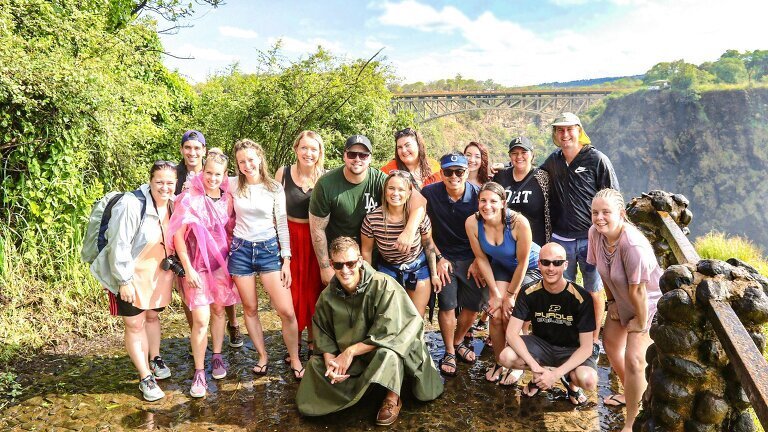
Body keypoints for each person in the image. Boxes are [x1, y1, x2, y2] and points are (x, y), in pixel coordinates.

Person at [295, 237, 443, 425]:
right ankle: (357, 388)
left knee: (389, 354)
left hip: (388, 346)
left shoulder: (383, 285)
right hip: (354, 352)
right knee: (315, 365)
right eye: (339, 265)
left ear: (360, 261)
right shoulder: (327, 296)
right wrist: (331, 364)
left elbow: (391, 334)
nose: (345, 270)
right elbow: (324, 335)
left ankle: (392, 398)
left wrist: (350, 352)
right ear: (332, 265)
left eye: (350, 263)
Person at [88, 161, 178, 401]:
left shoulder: (173, 204)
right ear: (150, 181)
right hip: (131, 274)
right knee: (135, 324)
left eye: (170, 182)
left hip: (158, 274)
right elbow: (119, 244)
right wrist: (123, 281)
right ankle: (145, 377)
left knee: (152, 316)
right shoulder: (131, 204)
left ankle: (155, 358)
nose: (165, 187)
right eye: (159, 182)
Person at [541, 112, 619, 353]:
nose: (565, 134)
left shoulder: (597, 159)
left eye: (569, 129)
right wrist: (503, 171)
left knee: (593, 290)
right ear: (555, 134)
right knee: (564, 289)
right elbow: (533, 179)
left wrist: (612, 236)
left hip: (591, 237)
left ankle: (592, 340)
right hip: (560, 239)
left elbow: (614, 197)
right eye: (560, 130)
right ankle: (569, 335)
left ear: (579, 130)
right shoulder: (553, 161)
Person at [587, 188, 662, 431]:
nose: (599, 218)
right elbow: (602, 271)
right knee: (610, 343)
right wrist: (612, 303)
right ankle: (630, 392)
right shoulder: (595, 234)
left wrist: (640, 323)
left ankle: (631, 422)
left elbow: (639, 291)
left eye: (606, 212)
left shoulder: (633, 246)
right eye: (595, 212)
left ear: (621, 214)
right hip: (622, 298)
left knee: (634, 359)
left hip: (648, 304)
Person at [228, 139, 303, 379]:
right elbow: (205, 179)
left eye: (251, 159)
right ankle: (262, 356)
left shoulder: (274, 187)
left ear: (260, 158)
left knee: (286, 311)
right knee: (250, 308)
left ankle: (295, 357)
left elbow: (282, 224)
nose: (247, 165)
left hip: (269, 250)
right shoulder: (232, 185)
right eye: (242, 161)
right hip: (240, 250)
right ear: (237, 164)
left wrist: (286, 259)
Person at [309, 134, 426, 286]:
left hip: (374, 257)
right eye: (352, 154)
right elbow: (317, 228)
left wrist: (409, 231)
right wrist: (325, 267)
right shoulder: (326, 184)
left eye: (363, 155)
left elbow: (420, 201)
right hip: (341, 260)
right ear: (344, 156)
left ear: (370, 158)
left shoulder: (379, 180)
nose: (357, 159)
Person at [169, 152, 241, 397]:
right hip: (197, 267)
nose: (212, 178)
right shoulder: (190, 198)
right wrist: (187, 268)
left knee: (219, 311)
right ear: (202, 172)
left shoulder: (227, 199)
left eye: (217, 174)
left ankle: (217, 356)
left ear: (224, 176)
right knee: (200, 319)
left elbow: (230, 231)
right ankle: (199, 371)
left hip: (220, 265)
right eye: (208, 172)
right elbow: (178, 235)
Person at [499, 242, 598, 406]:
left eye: (557, 263)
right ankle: (538, 377)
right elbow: (511, 333)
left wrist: (555, 375)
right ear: (539, 264)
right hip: (541, 345)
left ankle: (571, 385)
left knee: (588, 380)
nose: (551, 268)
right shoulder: (528, 291)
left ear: (565, 265)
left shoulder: (581, 297)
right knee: (505, 357)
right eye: (546, 262)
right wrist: (534, 366)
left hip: (571, 348)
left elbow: (587, 347)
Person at [465, 182, 541, 385]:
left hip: (530, 267)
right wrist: (496, 295)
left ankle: (518, 363)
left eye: (493, 201)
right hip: (501, 266)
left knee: (511, 314)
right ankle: (500, 361)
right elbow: (481, 259)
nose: (487, 206)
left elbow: (523, 262)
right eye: (483, 201)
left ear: (503, 203)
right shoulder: (472, 223)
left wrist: (510, 295)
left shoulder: (518, 223)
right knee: (496, 314)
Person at [176, 132, 243, 349]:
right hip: (191, 249)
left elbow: (230, 221)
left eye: (197, 148)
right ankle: (197, 339)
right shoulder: (177, 176)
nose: (192, 152)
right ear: (181, 149)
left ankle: (232, 325)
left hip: (219, 252)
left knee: (221, 299)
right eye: (188, 147)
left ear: (204, 151)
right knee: (195, 301)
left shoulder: (223, 189)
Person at [421, 152, 482, 377]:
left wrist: (479, 259)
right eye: (448, 172)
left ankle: (458, 341)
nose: (454, 176)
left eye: (459, 171)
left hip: (472, 257)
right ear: (441, 173)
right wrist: (439, 258)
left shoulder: (478, 195)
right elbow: (424, 231)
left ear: (467, 172)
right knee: (447, 305)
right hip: (444, 256)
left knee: (473, 305)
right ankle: (449, 351)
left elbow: (489, 228)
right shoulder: (429, 193)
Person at [361, 170, 441, 316]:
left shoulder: (420, 218)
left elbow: (428, 244)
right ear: (385, 191)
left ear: (409, 193)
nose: (395, 193)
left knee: (416, 317)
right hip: (388, 269)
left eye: (401, 189)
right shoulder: (372, 219)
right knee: (391, 317)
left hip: (417, 269)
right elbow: (366, 251)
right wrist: (369, 279)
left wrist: (434, 274)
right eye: (391, 188)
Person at [275, 131, 326, 360]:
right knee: (292, 290)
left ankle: (313, 340)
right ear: (296, 149)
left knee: (315, 289)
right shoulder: (283, 174)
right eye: (304, 147)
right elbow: (273, 209)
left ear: (320, 152)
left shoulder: (324, 178)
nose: (308, 153)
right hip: (289, 238)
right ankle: (293, 342)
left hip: (315, 238)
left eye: (313, 149)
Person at [493, 136, 551, 247]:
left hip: (535, 245)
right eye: (514, 153)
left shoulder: (542, 177)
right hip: (505, 244)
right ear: (510, 156)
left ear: (532, 154)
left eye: (524, 152)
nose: (519, 156)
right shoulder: (500, 176)